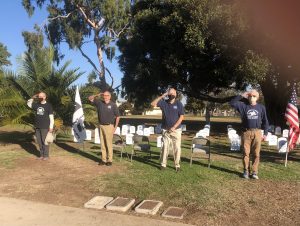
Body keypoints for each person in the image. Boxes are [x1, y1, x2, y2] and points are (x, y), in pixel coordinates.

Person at [230, 89, 269, 179]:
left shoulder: (261, 107)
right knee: (246, 153)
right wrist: (241, 95)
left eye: (254, 96)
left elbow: (265, 121)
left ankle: (254, 172)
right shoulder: (243, 106)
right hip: (246, 132)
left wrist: (265, 133)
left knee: (256, 153)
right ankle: (246, 171)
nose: (252, 97)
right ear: (248, 97)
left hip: (257, 132)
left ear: (257, 98)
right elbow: (232, 103)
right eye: (250, 96)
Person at [151, 88, 184, 172]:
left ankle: (177, 165)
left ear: (176, 95)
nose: (172, 94)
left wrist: (174, 127)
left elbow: (181, 117)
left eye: (173, 93)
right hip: (165, 130)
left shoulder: (179, 104)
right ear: (168, 94)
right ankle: (163, 164)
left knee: (177, 148)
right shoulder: (163, 103)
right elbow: (152, 104)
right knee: (165, 147)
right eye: (170, 93)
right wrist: (162, 96)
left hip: (176, 130)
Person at [88, 91, 120, 166]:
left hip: (109, 126)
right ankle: (103, 160)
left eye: (107, 95)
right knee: (102, 144)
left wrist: (115, 127)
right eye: (104, 95)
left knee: (108, 144)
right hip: (101, 126)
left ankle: (110, 160)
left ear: (110, 96)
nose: (105, 97)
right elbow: (90, 98)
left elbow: (118, 116)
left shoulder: (113, 105)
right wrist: (98, 94)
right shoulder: (99, 103)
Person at [27, 92, 54, 160]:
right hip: (37, 126)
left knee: (45, 141)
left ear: (44, 97)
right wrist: (33, 97)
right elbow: (28, 103)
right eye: (39, 97)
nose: (39, 98)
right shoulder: (37, 105)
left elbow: (51, 117)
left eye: (41, 97)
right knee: (39, 141)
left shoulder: (49, 105)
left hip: (45, 127)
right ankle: (41, 155)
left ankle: (46, 156)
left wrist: (51, 127)